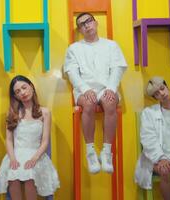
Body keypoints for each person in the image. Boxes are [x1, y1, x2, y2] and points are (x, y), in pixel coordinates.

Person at [64, 12, 127, 174]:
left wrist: (111, 88)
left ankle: (107, 152)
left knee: (110, 101)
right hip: (84, 88)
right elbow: (72, 72)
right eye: (82, 24)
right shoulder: (74, 48)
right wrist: (85, 89)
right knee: (89, 103)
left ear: (96, 23)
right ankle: (90, 151)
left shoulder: (111, 45)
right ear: (80, 29)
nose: (86, 25)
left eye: (89, 21)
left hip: (107, 87)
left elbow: (118, 68)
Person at [0, 75, 60, 200]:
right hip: (16, 154)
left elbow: (45, 141)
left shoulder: (45, 112)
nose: (22, 93)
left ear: (31, 86)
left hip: (36, 154)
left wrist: (34, 158)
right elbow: (8, 140)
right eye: (17, 91)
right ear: (15, 96)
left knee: (30, 175)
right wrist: (12, 158)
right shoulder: (12, 113)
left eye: (24, 88)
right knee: (13, 176)